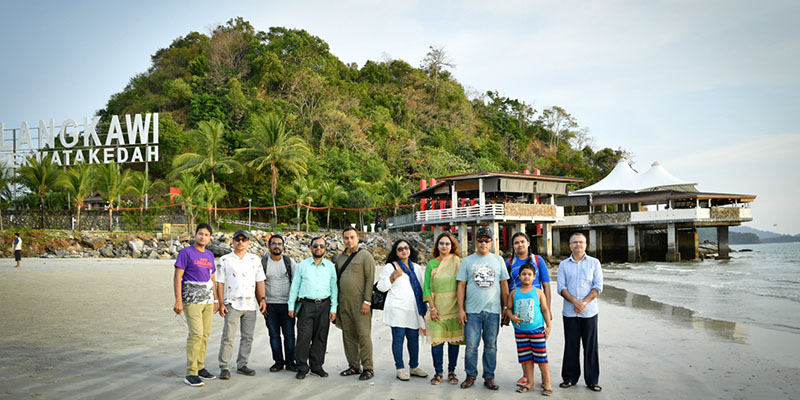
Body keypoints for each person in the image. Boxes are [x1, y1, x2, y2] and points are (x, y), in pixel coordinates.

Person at [456, 226, 509, 390]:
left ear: (492, 242)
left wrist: (506, 308)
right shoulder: (467, 261)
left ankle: (489, 377)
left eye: (487, 240)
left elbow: (504, 285)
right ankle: (470, 375)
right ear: (475, 242)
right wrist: (460, 309)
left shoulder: (499, 260)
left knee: (491, 345)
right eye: (480, 240)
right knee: (471, 346)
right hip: (472, 311)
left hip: (493, 311)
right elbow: (461, 286)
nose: (483, 243)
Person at [216, 230, 267, 380]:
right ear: (233, 242)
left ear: (248, 242)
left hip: (250, 303)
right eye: (237, 239)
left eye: (243, 239)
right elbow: (220, 283)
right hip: (232, 303)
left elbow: (260, 281)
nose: (240, 242)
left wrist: (262, 299)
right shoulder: (225, 260)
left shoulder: (255, 259)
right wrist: (221, 303)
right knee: (228, 337)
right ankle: (224, 366)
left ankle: (242, 364)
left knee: (247, 337)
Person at [173, 223, 219, 387]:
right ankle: (191, 372)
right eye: (200, 234)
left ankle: (200, 367)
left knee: (205, 334)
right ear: (195, 235)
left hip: (207, 300)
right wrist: (178, 300)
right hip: (191, 299)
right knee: (196, 334)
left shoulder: (209, 255)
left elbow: (211, 278)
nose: (203, 237)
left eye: (206, 235)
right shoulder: (186, 253)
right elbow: (178, 277)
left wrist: (215, 300)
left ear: (210, 237)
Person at [557, 232, 603, 392]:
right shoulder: (563, 265)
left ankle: (592, 380)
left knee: (590, 346)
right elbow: (561, 287)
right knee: (571, 345)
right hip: (570, 312)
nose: (578, 245)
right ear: (570, 245)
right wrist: (575, 302)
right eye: (575, 242)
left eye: (581, 242)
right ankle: (569, 378)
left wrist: (584, 302)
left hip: (589, 311)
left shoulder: (594, 263)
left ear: (586, 245)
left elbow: (598, 286)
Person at [376, 239, 428, 381]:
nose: (404, 250)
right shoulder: (390, 267)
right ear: (396, 252)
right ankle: (400, 368)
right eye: (400, 249)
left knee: (413, 338)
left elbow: (422, 288)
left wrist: (426, 307)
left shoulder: (416, 267)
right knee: (398, 339)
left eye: (406, 247)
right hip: (397, 309)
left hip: (413, 309)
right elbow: (381, 287)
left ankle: (414, 366)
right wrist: (392, 277)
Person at [505, 232, 551, 387]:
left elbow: (546, 285)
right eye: (516, 242)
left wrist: (548, 311)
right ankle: (526, 376)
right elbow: (505, 286)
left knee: (539, 347)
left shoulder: (538, 260)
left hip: (536, 308)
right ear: (513, 246)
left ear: (528, 243)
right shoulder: (509, 262)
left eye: (522, 242)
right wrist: (506, 311)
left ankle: (545, 378)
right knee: (523, 345)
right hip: (517, 307)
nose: (520, 245)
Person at [288, 237, 338, 379]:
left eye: (322, 246)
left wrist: (333, 308)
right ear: (310, 247)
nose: (318, 248)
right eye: (315, 245)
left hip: (324, 305)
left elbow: (334, 288)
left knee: (320, 337)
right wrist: (291, 305)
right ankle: (302, 367)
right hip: (306, 305)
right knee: (303, 338)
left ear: (325, 248)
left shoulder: (330, 267)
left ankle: (317, 366)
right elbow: (295, 286)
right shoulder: (302, 266)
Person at [333, 227, 376, 380]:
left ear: (358, 238)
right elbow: (335, 281)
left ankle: (368, 367)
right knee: (348, 335)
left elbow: (370, 279)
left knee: (363, 335)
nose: (349, 241)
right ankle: (354, 366)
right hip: (344, 302)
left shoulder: (365, 256)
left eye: (352, 237)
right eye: (346, 238)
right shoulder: (339, 258)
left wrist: (367, 301)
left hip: (361, 302)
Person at [423, 231, 464, 385]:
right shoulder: (431, 264)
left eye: (447, 243)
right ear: (437, 246)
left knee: (454, 343)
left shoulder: (458, 262)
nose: (444, 246)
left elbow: (463, 284)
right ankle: (438, 372)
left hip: (455, 309)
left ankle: (452, 372)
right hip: (437, 311)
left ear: (452, 246)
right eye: (441, 243)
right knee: (437, 343)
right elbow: (426, 287)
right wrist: (432, 308)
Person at [261, 234, 298, 373]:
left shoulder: (289, 262)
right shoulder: (263, 263)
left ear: (283, 246)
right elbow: (258, 283)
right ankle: (278, 362)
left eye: (279, 244)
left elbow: (296, 282)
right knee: (274, 335)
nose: (277, 246)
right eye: (274, 243)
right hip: (269, 304)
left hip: (287, 304)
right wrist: (261, 301)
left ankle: (290, 362)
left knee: (289, 335)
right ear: (269, 246)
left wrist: (293, 304)